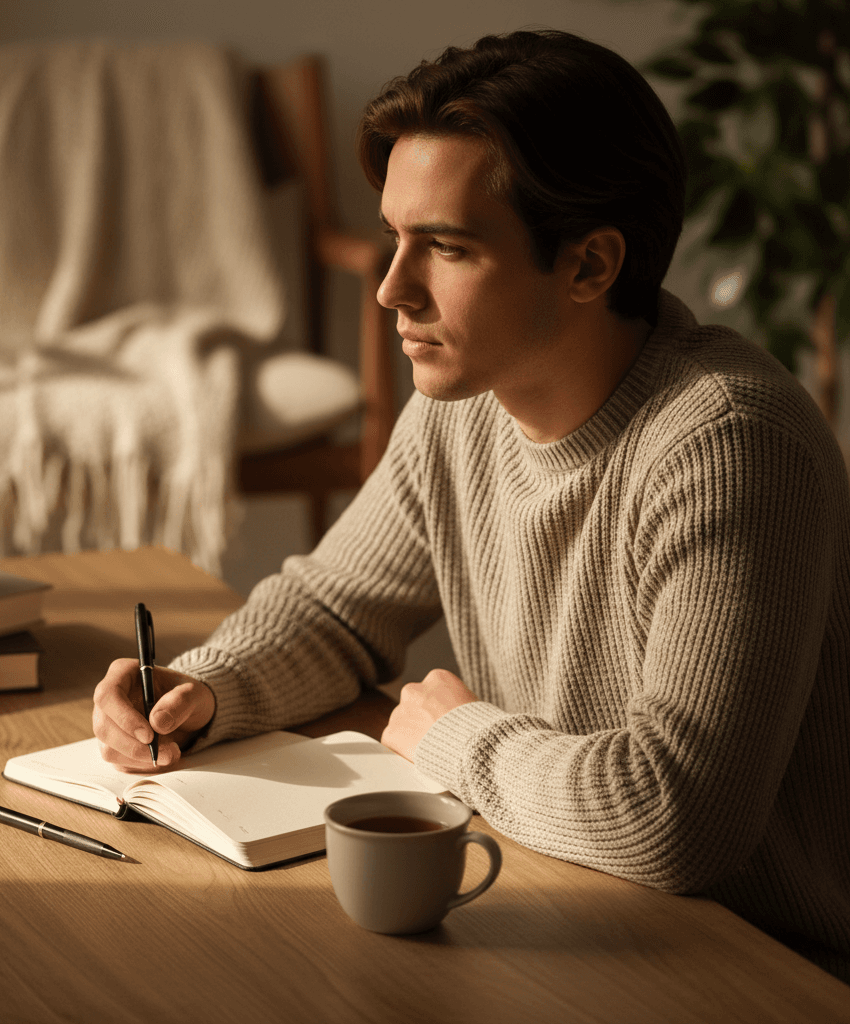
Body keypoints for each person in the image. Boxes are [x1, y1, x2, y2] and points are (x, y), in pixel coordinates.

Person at [93, 30, 850, 980]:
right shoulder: (464, 408)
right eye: (394, 238)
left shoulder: (730, 444)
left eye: (445, 247)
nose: (391, 289)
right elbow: (334, 609)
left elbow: (675, 817)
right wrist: (202, 690)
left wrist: (455, 737)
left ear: (590, 265)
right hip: (565, 900)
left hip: (760, 968)